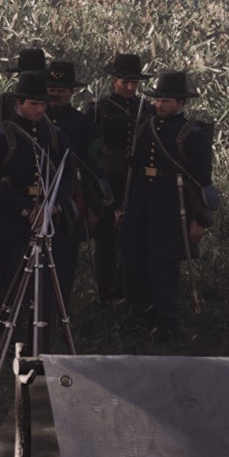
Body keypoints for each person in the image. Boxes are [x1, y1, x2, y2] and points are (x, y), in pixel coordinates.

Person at [0, 70, 77, 346]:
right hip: (11, 219)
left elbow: (68, 176)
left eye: (42, 104)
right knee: (5, 280)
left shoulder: (55, 135)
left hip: (47, 216)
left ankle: (39, 340)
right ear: (19, 104)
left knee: (43, 283)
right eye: (33, 104)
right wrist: (26, 209)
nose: (38, 109)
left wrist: (53, 206)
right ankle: (7, 340)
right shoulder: (2, 136)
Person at [120, 71, 214, 340]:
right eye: (159, 99)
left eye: (168, 100)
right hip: (141, 201)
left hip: (172, 204)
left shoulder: (192, 135)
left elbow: (201, 182)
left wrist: (198, 220)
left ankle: (168, 323)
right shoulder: (145, 127)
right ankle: (140, 313)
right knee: (133, 257)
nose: (161, 105)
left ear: (182, 103)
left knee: (164, 265)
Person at [44, 60, 104, 303]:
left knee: (64, 259)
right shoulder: (35, 120)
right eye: (52, 89)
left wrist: (93, 206)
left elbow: (94, 168)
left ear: (71, 92)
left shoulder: (83, 124)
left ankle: (61, 311)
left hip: (69, 202)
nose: (56, 94)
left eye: (62, 90)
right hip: (35, 197)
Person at [91, 54, 146, 303]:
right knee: (105, 238)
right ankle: (105, 293)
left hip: (136, 182)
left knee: (132, 239)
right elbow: (91, 150)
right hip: (108, 183)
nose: (130, 87)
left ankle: (128, 292)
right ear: (114, 81)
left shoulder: (146, 110)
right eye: (125, 82)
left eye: (134, 82)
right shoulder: (98, 109)